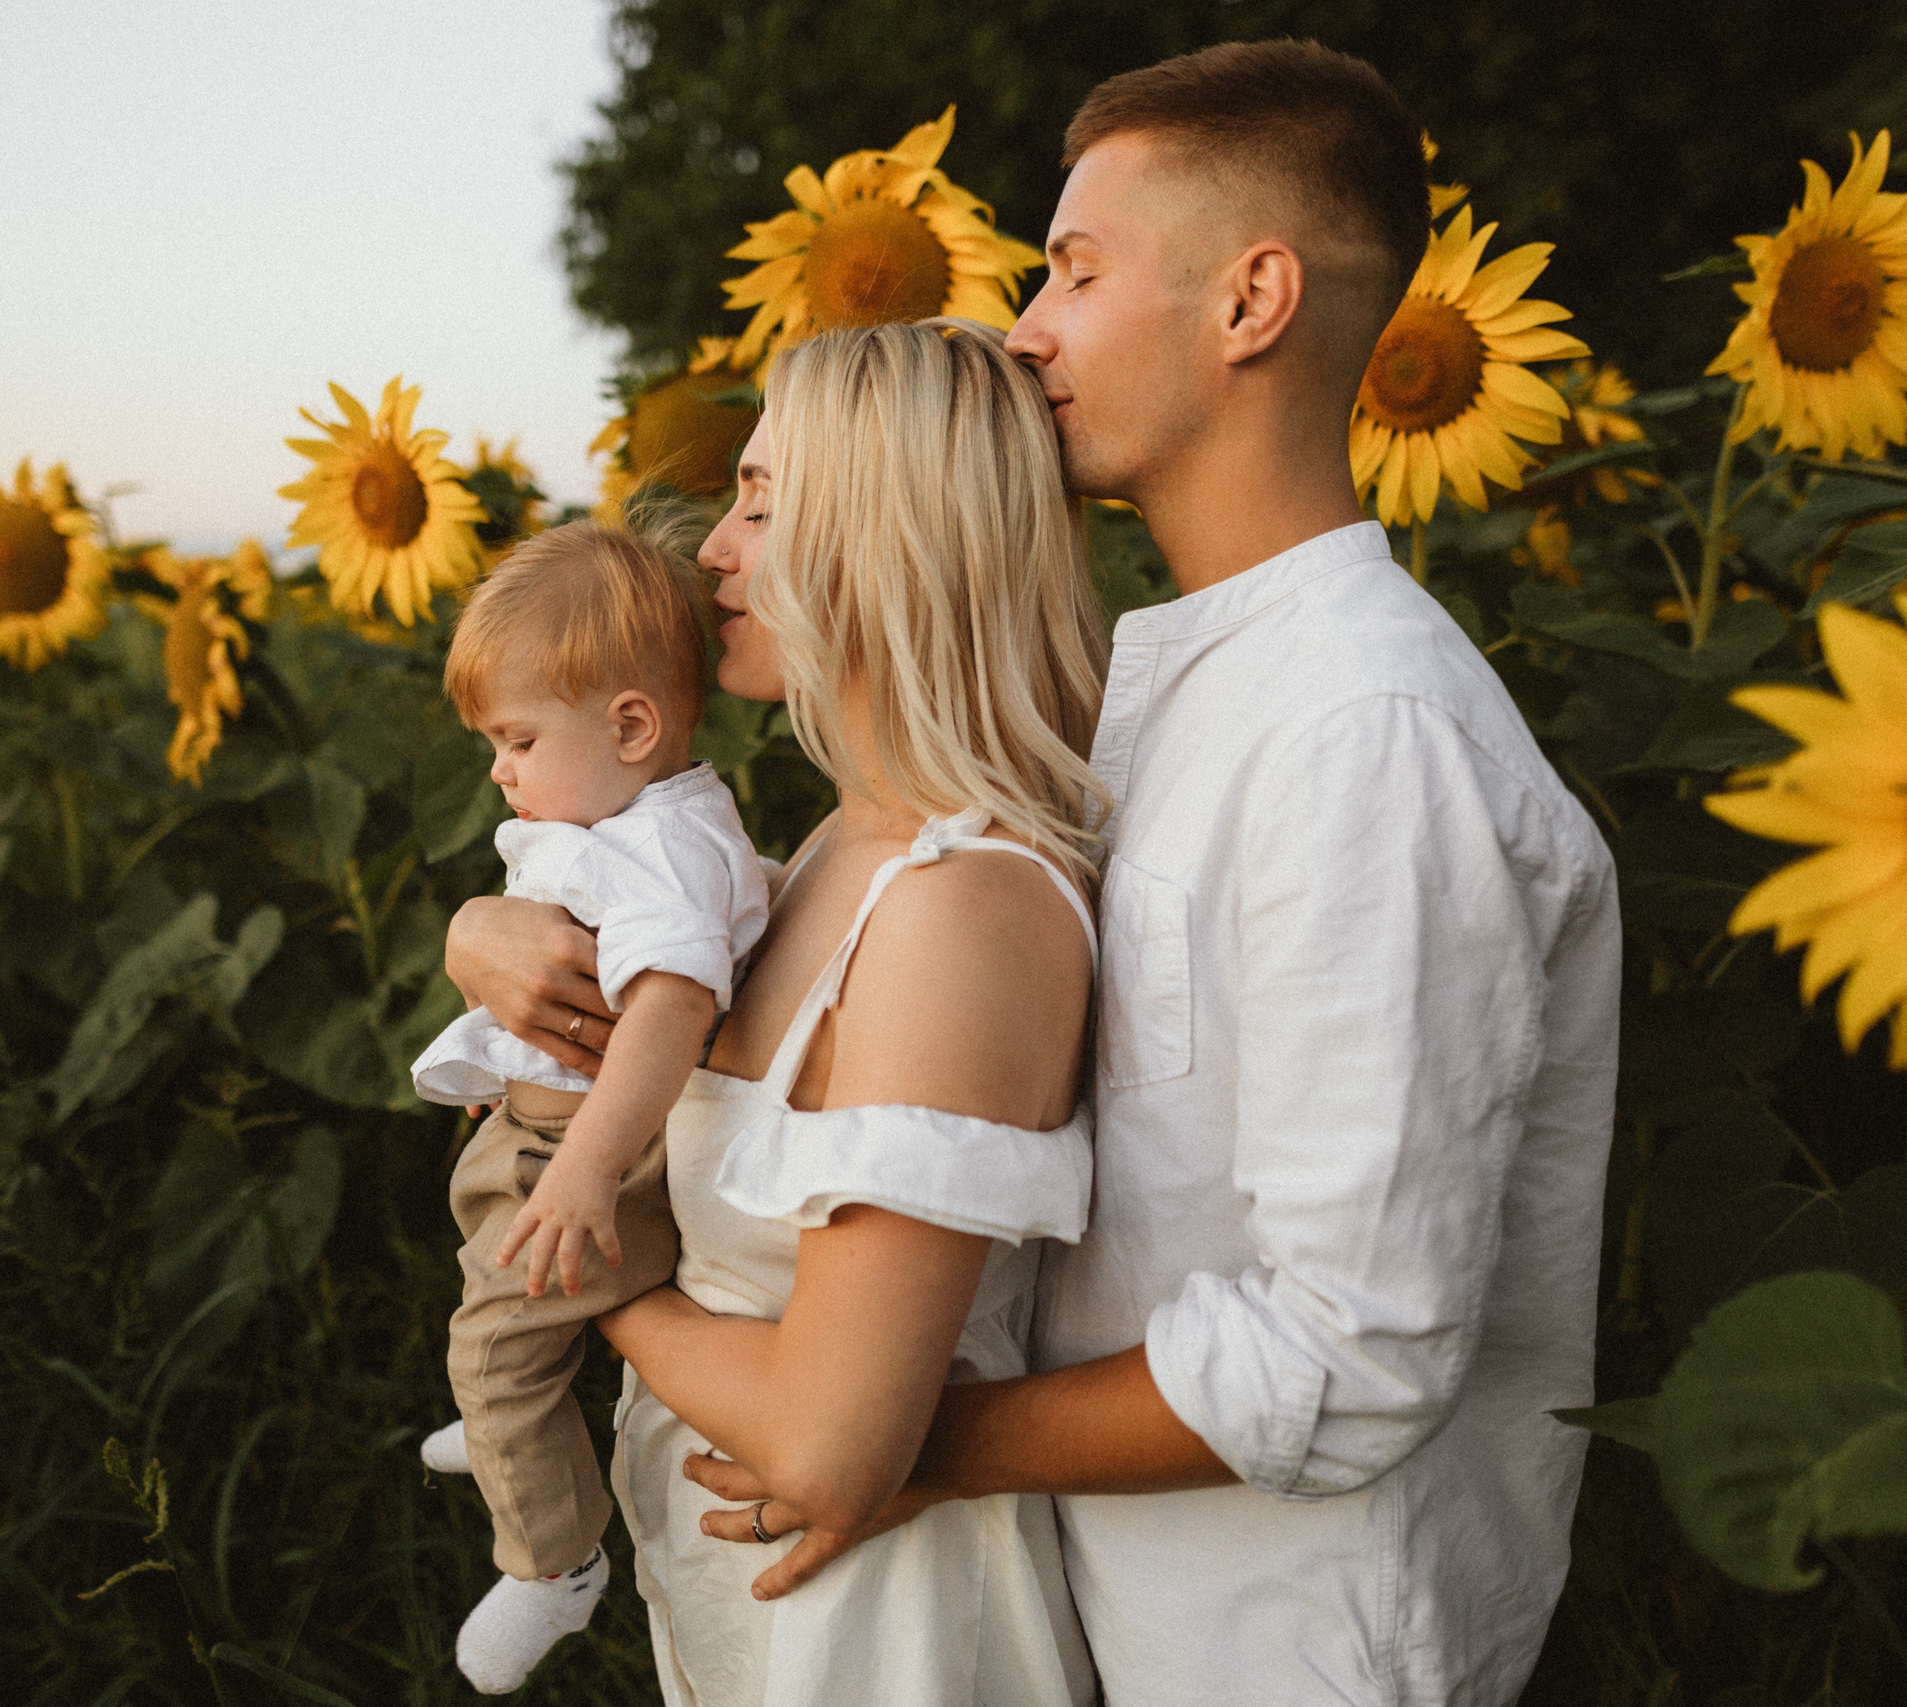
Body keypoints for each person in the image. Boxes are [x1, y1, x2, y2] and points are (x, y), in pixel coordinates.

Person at [671, 40, 1623, 1707]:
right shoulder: (1179, 689)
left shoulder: (1364, 734)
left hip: (1289, 1646)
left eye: (1079, 270)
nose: (1030, 327)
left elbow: (1351, 1350)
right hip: (1115, 1615)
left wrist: (900, 1436)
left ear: (1253, 301)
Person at [446, 318, 1109, 1706]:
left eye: (761, 500)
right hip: (759, 1606)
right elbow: (636, 967)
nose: (713, 550)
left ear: (893, 532)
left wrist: (574, 1290)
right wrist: (484, 932)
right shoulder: (824, 853)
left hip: (889, 1639)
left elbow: (825, 1446)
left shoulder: (960, 906)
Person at [410, 521, 771, 1694]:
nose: (500, 770)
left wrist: (583, 1165)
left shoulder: (660, 852)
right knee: (488, 1281)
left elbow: (669, 1013)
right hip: (547, 1128)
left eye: (516, 740)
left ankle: (551, 1558)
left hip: (593, 1150)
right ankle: (524, 1427)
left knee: (495, 1337)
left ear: (629, 724)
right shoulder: (625, 816)